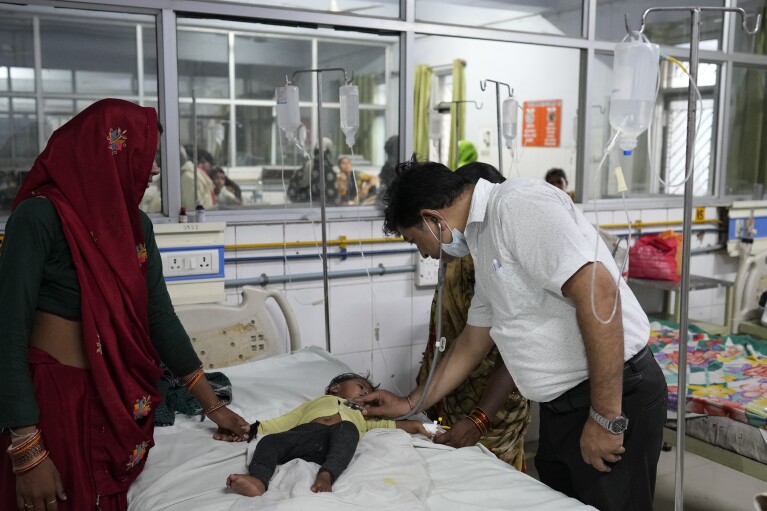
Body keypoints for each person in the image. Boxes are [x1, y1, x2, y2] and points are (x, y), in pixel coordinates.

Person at [359, 158, 667, 511]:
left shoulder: (517, 206)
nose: (426, 255)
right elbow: (473, 342)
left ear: (433, 219)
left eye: (416, 241)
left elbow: (600, 295)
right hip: (562, 405)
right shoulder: (483, 237)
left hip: (612, 393)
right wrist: (409, 403)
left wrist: (606, 417)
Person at [0, 99, 250, 511]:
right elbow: (8, 331)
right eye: (145, 156)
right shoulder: (39, 218)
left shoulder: (138, 227)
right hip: (55, 401)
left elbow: (160, 318)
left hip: (114, 395)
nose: (153, 170)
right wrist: (26, 447)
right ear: (108, 151)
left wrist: (214, 407)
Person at [417, 162, 531, 471]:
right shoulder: (457, 254)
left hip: (491, 409)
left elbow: (514, 344)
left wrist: (480, 417)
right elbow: (453, 335)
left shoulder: (495, 259)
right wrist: (418, 399)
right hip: (446, 397)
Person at [225, 373, 428, 497]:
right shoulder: (316, 402)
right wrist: (252, 429)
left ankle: (327, 474)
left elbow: (388, 423)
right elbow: (286, 421)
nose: (365, 395)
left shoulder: (362, 415)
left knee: (348, 428)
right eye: (361, 387)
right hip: (306, 435)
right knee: (270, 442)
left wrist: (416, 425)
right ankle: (258, 481)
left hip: (337, 443)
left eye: (368, 396)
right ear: (335, 388)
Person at [180, 145, 215, 211]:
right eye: (201, 162)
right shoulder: (191, 175)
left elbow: (193, 207)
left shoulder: (189, 176)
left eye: (204, 162)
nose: (201, 165)